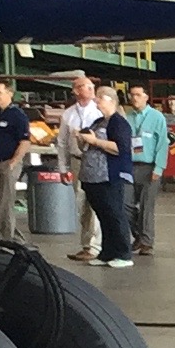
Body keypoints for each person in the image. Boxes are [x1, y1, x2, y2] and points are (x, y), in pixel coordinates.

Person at [81, 85, 137, 267]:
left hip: (109, 176)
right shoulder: (98, 122)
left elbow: (120, 148)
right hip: (93, 177)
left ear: (110, 100)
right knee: (104, 215)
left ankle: (123, 253)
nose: (96, 100)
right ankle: (107, 252)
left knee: (114, 213)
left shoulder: (118, 123)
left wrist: (95, 141)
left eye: (100, 97)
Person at [51, 72, 102, 258]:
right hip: (77, 160)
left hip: (95, 160)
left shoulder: (99, 112)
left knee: (96, 203)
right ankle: (86, 244)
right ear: (75, 91)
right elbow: (62, 142)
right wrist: (63, 168)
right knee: (81, 204)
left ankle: (95, 246)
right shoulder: (68, 115)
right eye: (81, 87)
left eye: (89, 87)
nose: (87, 90)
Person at [124, 82, 170, 254]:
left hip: (149, 166)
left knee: (146, 206)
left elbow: (162, 144)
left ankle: (147, 242)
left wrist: (159, 168)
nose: (134, 98)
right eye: (132, 95)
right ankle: (138, 235)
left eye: (137, 94)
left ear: (146, 97)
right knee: (125, 204)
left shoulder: (157, 117)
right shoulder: (127, 117)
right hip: (130, 166)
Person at [0, 80, 33, 240]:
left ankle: (4, 241)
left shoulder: (17, 116)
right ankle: (16, 239)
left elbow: (25, 141)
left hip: (8, 162)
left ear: (9, 94)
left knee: (6, 205)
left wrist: (13, 162)